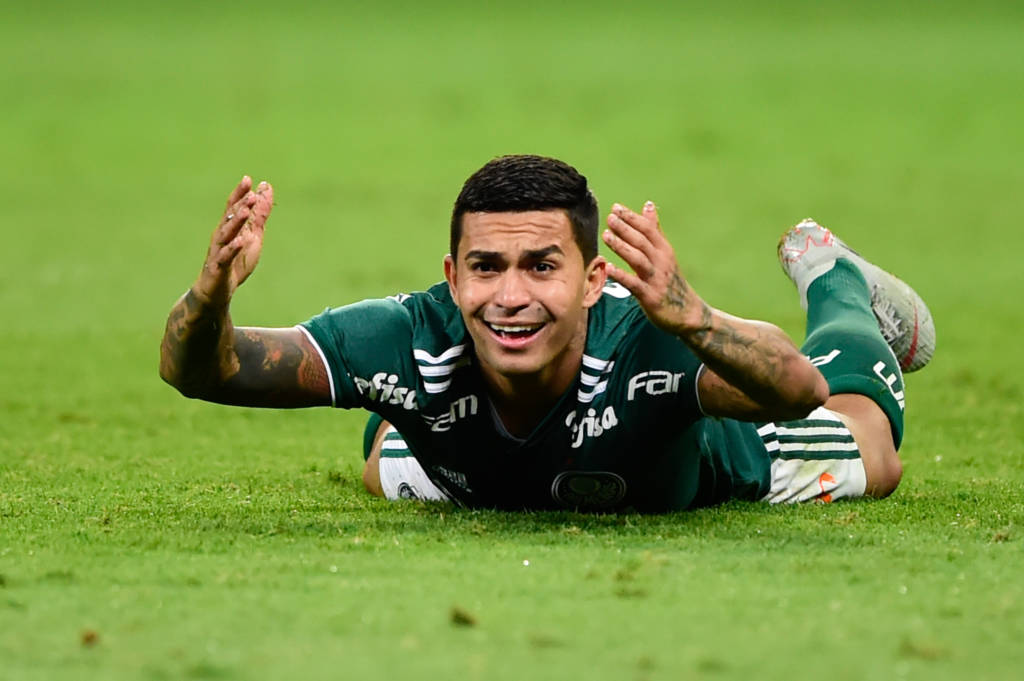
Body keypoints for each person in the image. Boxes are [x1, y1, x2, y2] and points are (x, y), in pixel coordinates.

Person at [160, 155, 934, 512]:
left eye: (541, 266)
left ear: (593, 280)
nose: (511, 296)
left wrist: (693, 316)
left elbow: (798, 388)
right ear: (453, 275)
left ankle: (834, 276)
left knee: (872, 444)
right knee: (388, 456)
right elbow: (200, 370)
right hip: (470, 459)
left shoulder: (648, 342)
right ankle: (443, 428)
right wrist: (211, 295)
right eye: (486, 267)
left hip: (729, 462)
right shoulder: (409, 334)